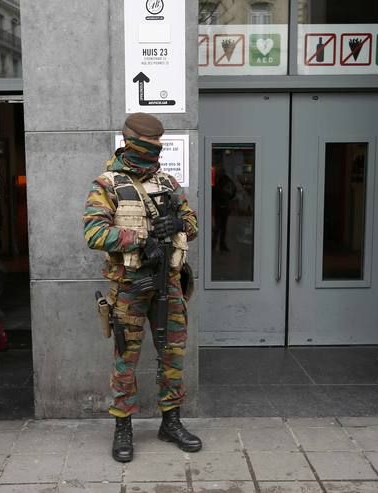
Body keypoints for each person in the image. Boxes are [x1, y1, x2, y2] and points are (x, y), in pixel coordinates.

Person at [83, 113, 202, 463]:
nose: (153, 159)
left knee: (173, 355)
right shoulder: (107, 184)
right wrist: (138, 240)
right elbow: (93, 233)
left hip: (169, 284)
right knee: (126, 360)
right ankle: (123, 426)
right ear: (129, 144)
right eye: (147, 151)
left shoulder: (167, 182)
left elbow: (192, 223)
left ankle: (171, 421)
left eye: (157, 151)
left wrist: (179, 222)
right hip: (130, 288)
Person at [211, 164, 237, 252]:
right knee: (219, 227)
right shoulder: (221, 180)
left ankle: (217, 245)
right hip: (221, 206)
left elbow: (232, 190)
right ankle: (218, 245)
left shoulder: (222, 181)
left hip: (222, 206)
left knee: (220, 227)